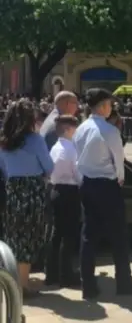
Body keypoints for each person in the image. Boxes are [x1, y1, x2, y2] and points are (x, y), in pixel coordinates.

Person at [74, 88, 132, 299]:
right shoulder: (109, 131)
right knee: (119, 237)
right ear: (103, 106)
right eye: (109, 104)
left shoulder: (81, 129)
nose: (112, 108)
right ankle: (124, 283)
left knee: (89, 236)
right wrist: (120, 179)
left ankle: (87, 286)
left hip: (87, 183)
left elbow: (77, 158)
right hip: (106, 185)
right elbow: (119, 161)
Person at [0, 99, 54, 298]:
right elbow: (49, 166)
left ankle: (14, 283)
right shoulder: (35, 140)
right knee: (30, 237)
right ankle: (22, 285)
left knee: (14, 237)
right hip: (32, 189)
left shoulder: (4, 141)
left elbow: (3, 168)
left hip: (13, 189)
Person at [45, 114, 82, 288]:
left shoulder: (55, 147)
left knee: (56, 234)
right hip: (69, 191)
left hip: (55, 189)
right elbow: (77, 174)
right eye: (75, 128)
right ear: (68, 129)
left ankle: (51, 274)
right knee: (68, 236)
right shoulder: (71, 150)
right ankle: (66, 275)